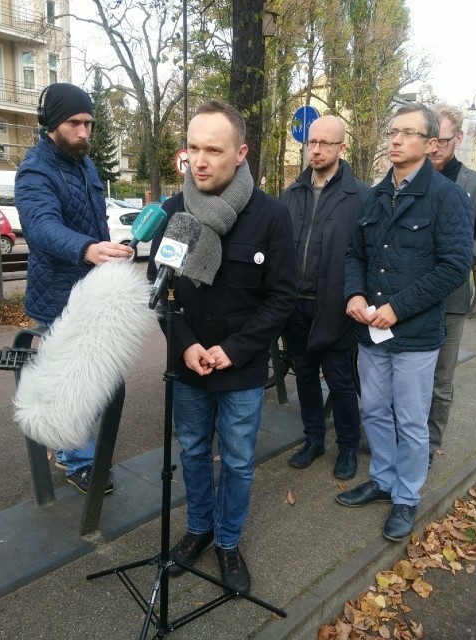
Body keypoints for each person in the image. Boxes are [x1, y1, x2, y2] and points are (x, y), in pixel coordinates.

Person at [147, 99, 296, 593]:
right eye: (193, 147)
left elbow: (281, 298)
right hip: (188, 365)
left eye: (214, 148)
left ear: (241, 153)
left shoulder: (271, 216)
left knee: (235, 459)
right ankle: (199, 529)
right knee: (192, 450)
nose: (200, 160)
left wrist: (234, 349)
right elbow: (160, 291)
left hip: (240, 367)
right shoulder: (173, 212)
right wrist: (185, 344)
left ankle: (228, 541)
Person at [337, 103, 473, 542]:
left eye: (408, 133)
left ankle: (406, 497)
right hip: (371, 332)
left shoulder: (447, 197)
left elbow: (454, 266)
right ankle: (383, 478)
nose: (395, 140)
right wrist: (354, 294)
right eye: (393, 131)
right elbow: (356, 253)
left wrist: (399, 306)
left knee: (411, 420)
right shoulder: (377, 194)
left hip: (413, 335)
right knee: (374, 409)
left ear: (431, 143)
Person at [15, 82, 133, 494]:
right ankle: (76, 458)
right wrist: (87, 249)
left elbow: (94, 221)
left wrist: (110, 252)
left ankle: (74, 447)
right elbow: (42, 228)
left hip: (94, 291)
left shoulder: (84, 164)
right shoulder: (34, 171)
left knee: (93, 377)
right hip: (59, 298)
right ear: (50, 124)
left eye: (89, 123)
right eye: (74, 123)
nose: (83, 132)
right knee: (71, 381)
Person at [281, 115, 368, 480]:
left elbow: (365, 255)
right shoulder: (292, 194)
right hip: (294, 304)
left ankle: (347, 445)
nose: (315, 150)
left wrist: (357, 295)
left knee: (341, 380)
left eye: (325, 143)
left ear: (341, 148)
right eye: (311, 142)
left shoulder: (361, 196)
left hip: (335, 305)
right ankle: (314, 438)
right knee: (302, 374)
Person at [426, 104, 476, 467]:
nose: (434, 148)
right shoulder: (408, 178)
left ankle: (428, 443)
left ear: (458, 139)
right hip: (406, 298)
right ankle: (396, 435)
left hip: (450, 299)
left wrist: (456, 254)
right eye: (430, 140)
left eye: (441, 140)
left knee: (440, 377)